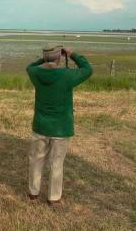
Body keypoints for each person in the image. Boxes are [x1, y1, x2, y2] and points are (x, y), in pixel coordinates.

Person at [26, 44, 92, 205]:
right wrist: (72, 54)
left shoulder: (35, 72)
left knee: (36, 160)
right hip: (61, 127)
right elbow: (87, 69)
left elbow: (30, 66)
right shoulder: (67, 75)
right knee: (56, 163)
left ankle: (33, 192)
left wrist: (46, 58)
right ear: (59, 57)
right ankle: (54, 197)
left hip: (41, 125)